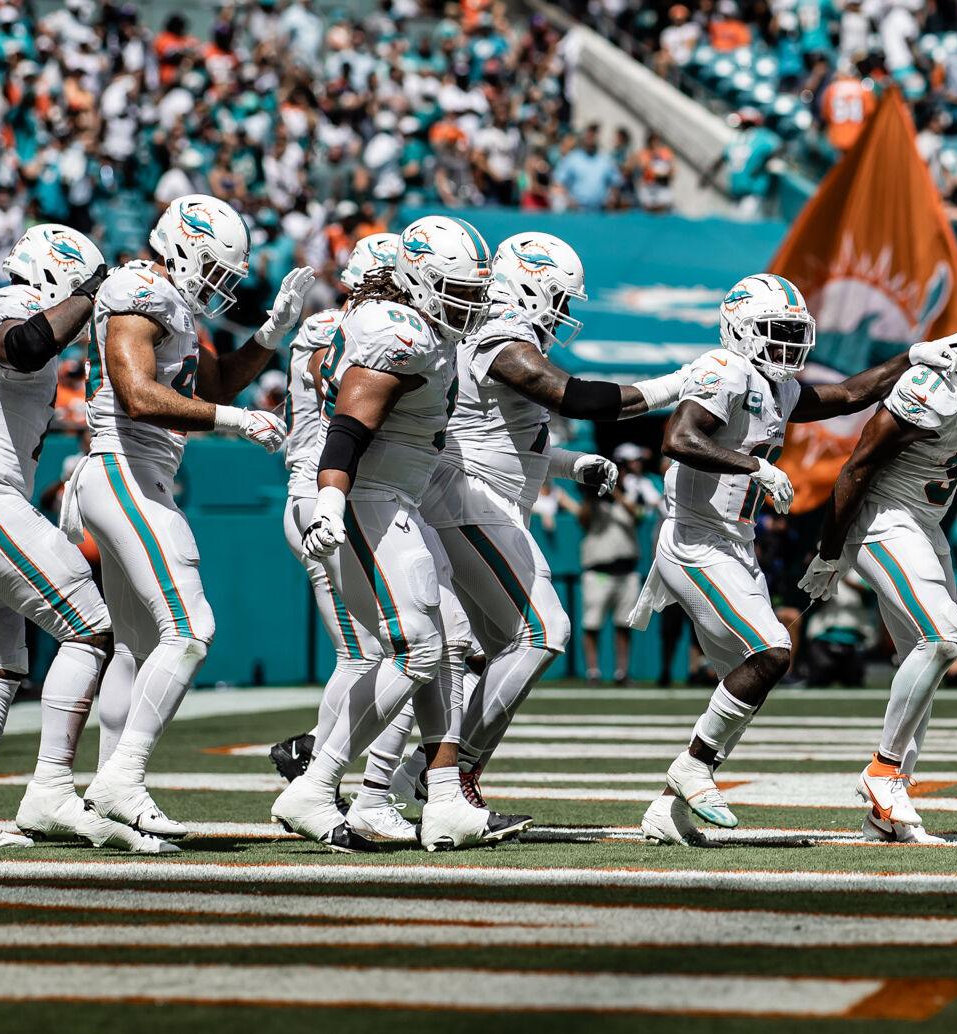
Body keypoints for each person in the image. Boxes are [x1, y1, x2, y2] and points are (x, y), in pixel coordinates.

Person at [626, 273, 932, 846]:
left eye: (794, 332)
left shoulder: (775, 384)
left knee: (745, 681)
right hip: (695, 540)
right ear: (740, 329)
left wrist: (913, 357)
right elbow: (678, 438)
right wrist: (754, 466)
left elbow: (847, 395)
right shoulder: (725, 371)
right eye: (775, 331)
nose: (788, 344)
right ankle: (692, 768)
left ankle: (668, 810)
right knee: (771, 651)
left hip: (732, 544)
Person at [0, 223, 170, 854]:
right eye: (79, 289)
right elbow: (21, 345)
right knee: (91, 625)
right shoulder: (8, 305)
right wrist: (92, 291)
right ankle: (50, 788)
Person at [411, 230, 687, 835]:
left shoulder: (505, 332)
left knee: (483, 654)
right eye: (559, 297)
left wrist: (569, 464)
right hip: (467, 500)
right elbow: (574, 398)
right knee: (542, 632)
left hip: (485, 500)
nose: (563, 312)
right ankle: (442, 775)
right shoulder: (499, 328)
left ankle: (424, 774)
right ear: (531, 284)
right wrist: (676, 384)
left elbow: (512, 437)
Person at [71, 195, 309, 841]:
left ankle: (103, 799)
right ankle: (123, 778)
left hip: (138, 474)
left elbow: (214, 383)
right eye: (215, 268)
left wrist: (269, 335)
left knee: (138, 646)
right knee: (190, 628)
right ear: (182, 248)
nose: (220, 285)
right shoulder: (137, 289)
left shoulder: (169, 300)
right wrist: (234, 424)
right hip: (123, 469)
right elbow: (140, 397)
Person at [276, 215, 508, 854]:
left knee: (449, 643)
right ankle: (317, 785)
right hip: (370, 501)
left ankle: (440, 795)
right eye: (455, 289)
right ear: (418, 280)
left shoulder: (415, 326)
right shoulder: (396, 332)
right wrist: (330, 498)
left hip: (396, 500)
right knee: (415, 649)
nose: (467, 304)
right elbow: (349, 426)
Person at [801, 308, 957, 841]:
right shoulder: (931, 390)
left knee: (926, 661)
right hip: (884, 515)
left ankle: (885, 812)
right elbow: (857, 466)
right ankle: (884, 770)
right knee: (943, 636)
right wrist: (830, 549)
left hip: (923, 521)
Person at [264, 233, 422, 847]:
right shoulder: (365, 333)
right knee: (395, 653)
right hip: (329, 493)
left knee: (376, 654)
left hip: (320, 492)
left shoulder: (332, 327)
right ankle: (325, 781)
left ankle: (316, 766)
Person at [577, 445, 652, 684]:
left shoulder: (629, 497)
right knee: (592, 623)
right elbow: (583, 520)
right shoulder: (594, 503)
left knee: (623, 624)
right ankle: (593, 672)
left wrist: (615, 491)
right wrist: (592, 493)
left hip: (626, 571)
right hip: (598, 572)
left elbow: (637, 516)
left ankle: (622, 672)